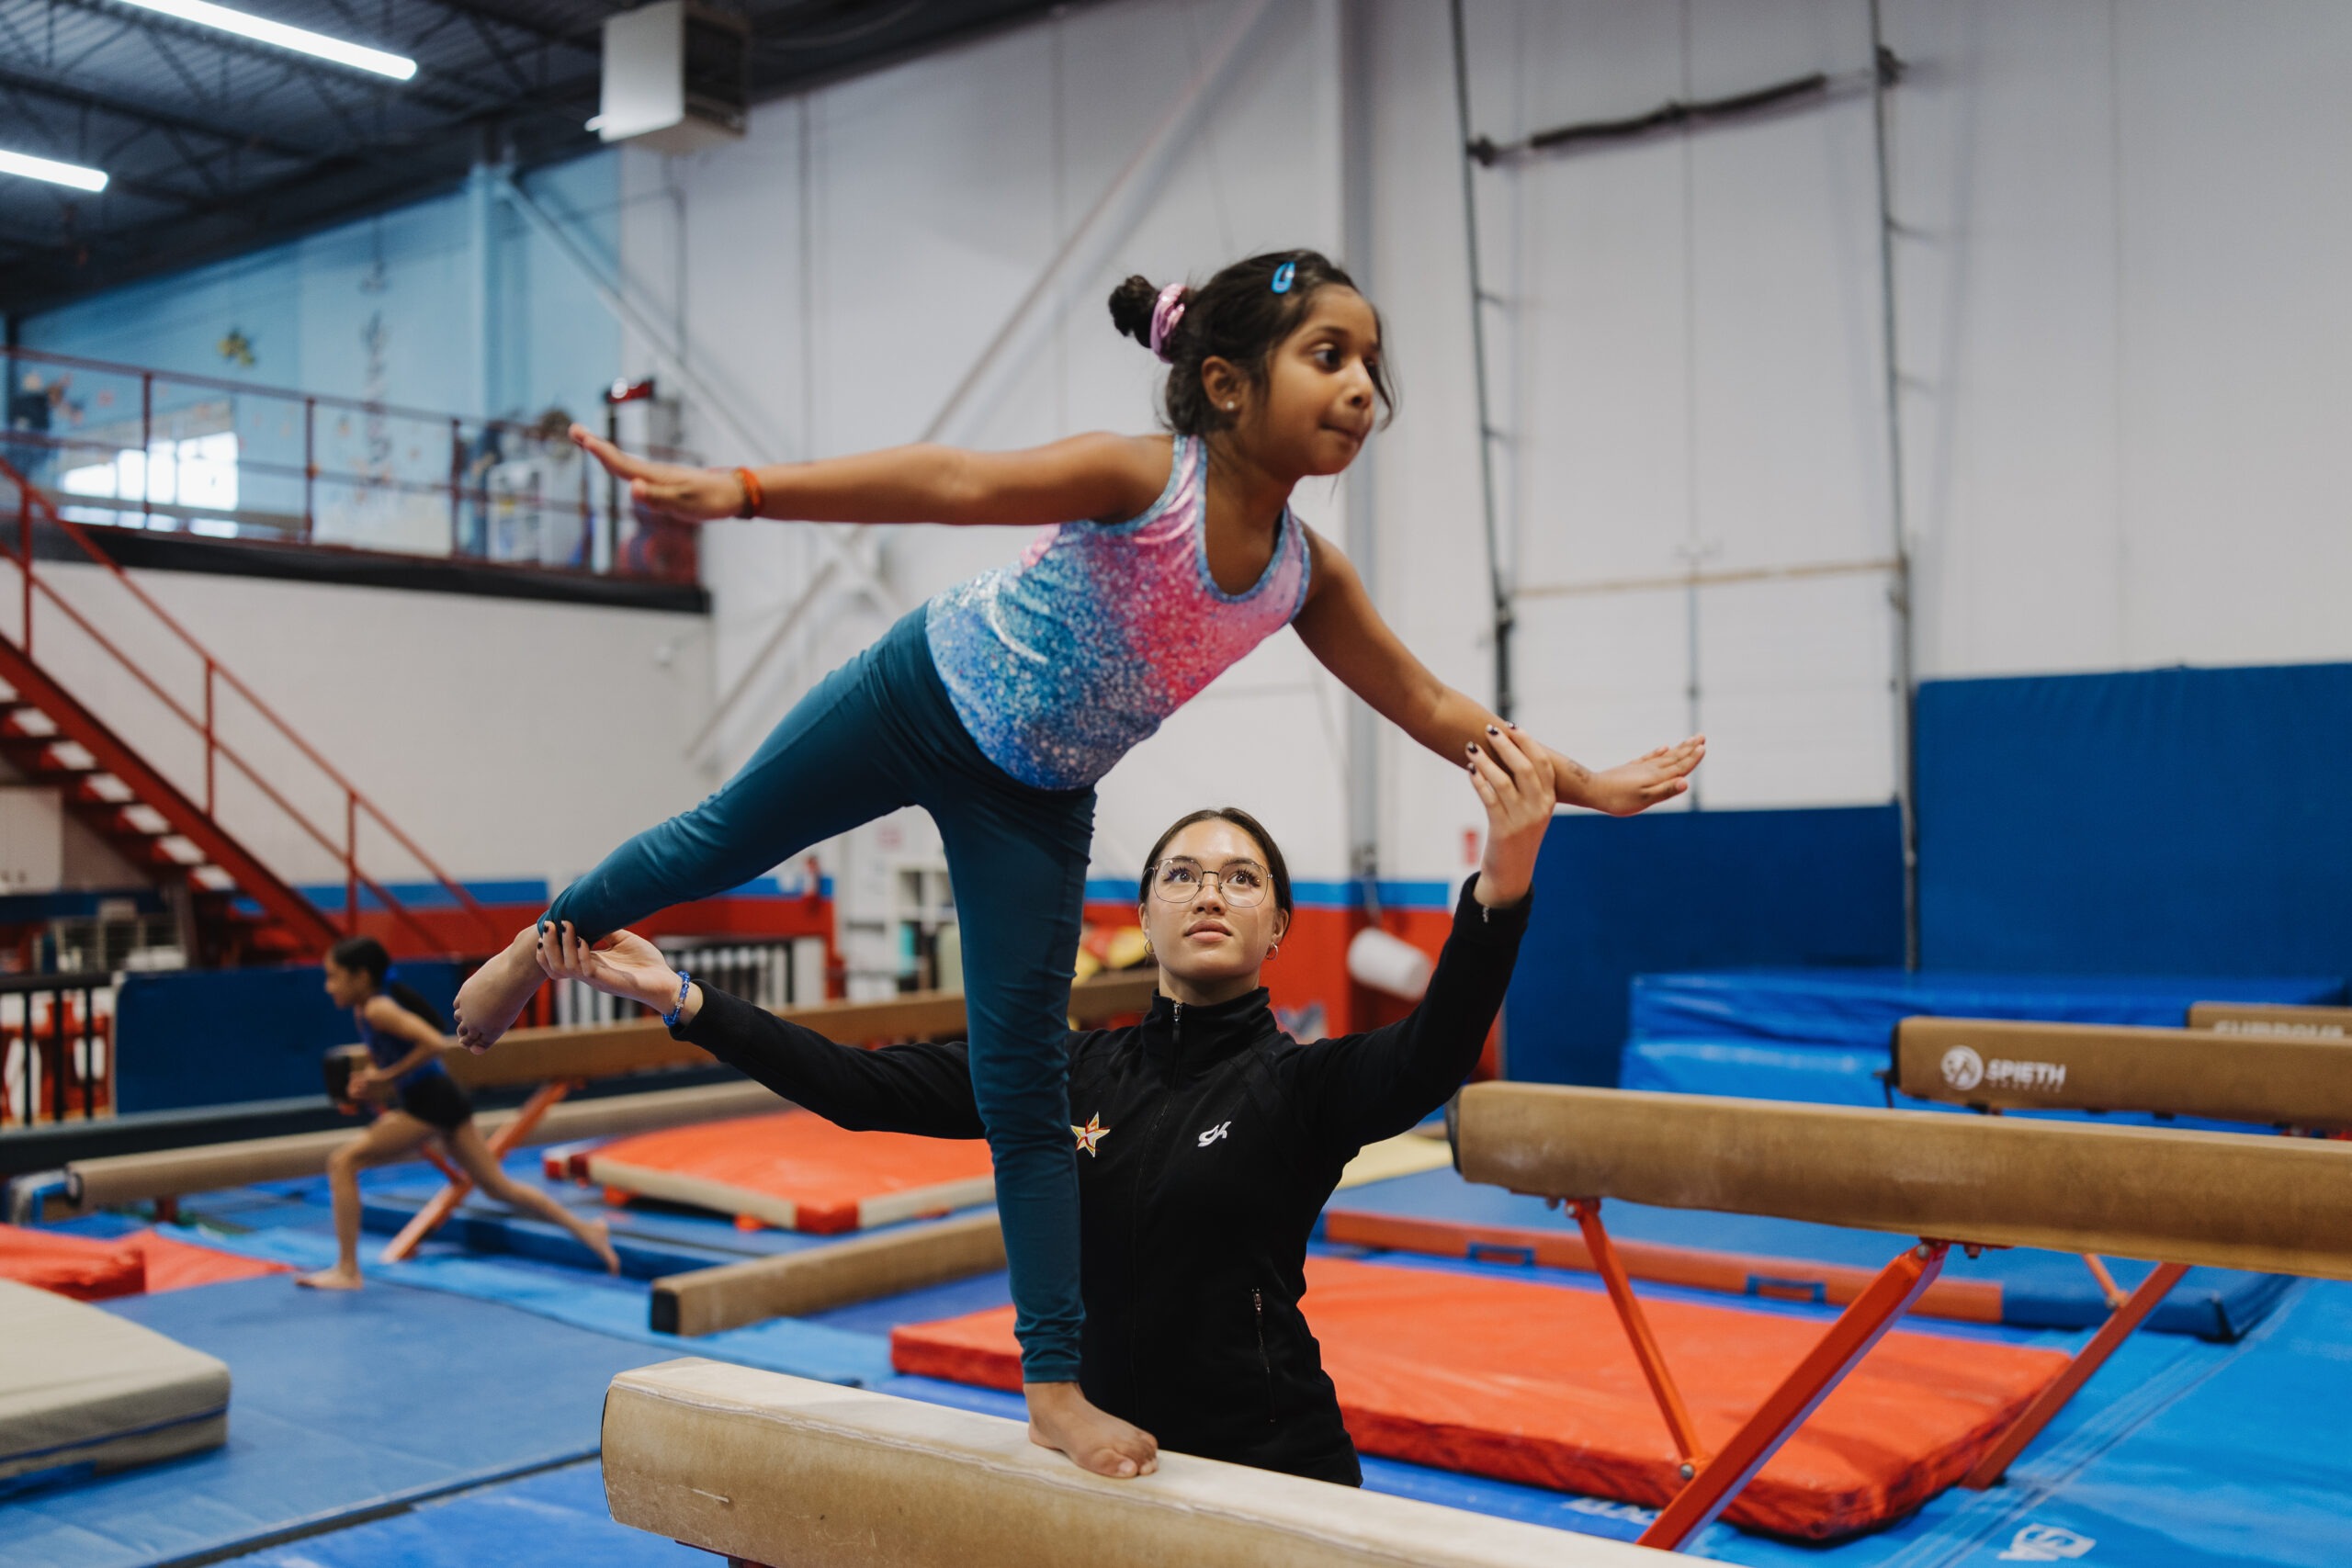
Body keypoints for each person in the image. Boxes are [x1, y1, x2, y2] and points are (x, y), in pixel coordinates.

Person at [456, 248, 1703, 1476]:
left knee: (1021, 1088)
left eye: (1373, 361)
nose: (1364, 384)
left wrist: (1584, 782)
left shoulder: (1301, 575)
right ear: (1226, 383)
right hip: (921, 691)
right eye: (1330, 355)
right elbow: (950, 477)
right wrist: (741, 489)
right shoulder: (1144, 475)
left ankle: (1052, 1383)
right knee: (714, 840)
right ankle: (539, 940)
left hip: (1037, 802)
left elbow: (1425, 697)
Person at [538, 729, 1554, 1483]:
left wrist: (1500, 883)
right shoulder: (1058, 1070)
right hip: (1098, 1453)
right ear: (1145, 917)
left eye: (1241, 879)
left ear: (1277, 925)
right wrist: (684, 1000)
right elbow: (862, 1089)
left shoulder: (1303, 1088)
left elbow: (1433, 1053)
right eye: (1183, 876)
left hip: (1272, 1459)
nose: (1210, 893)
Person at [296, 936, 618, 1290]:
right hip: (434, 1101)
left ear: (360, 976)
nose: (328, 987)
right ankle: (588, 1230)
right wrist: (375, 1083)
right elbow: (399, 1058)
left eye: (333, 977)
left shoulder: (377, 1009)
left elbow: (434, 1044)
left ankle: (347, 1270)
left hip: (431, 1104)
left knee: (343, 1162)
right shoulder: (367, 1011)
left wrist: (384, 1078)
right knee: (499, 1188)